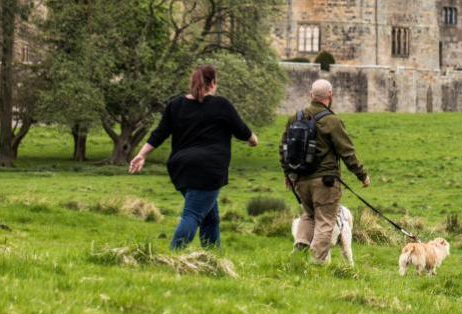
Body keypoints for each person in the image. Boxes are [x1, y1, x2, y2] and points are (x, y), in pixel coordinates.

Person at [129, 65, 257, 250]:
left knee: (210, 217)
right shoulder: (221, 105)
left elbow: (159, 133)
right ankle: (174, 255)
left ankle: (212, 257)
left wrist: (141, 154)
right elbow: (242, 131)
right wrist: (253, 140)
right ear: (213, 83)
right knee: (193, 214)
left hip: (181, 167)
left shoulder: (176, 105)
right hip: (209, 168)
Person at [281, 79, 369, 265]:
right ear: (330, 96)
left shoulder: (295, 119)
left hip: (300, 181)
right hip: (325, 182)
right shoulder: (332, 121)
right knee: (325, 221)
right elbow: (347, 152)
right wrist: (362, 175)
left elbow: (284, 149)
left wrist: (288, 175)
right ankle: (317, 263)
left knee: (309, 215)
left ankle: (299, 251)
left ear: (311, 95)